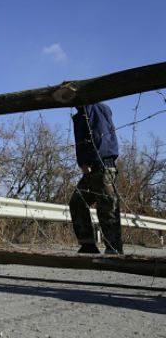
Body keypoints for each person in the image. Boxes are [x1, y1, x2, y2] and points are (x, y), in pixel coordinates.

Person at [69, 103, 122, 255]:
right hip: (94, 167)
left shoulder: (94, 110)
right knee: (78, 202)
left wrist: (90, 160)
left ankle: (114, 249)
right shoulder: (85, 111)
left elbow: (100, 135)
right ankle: (88, 245)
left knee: (107, 207)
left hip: (101, 165)